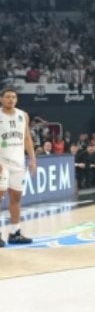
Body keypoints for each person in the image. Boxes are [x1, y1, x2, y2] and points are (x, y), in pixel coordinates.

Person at [0, 88, 36, 246]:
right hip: (2, 162)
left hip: (18, 163)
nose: (11, 99)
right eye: (7, 97)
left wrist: (32, 159)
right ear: (1, 99)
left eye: (13, 97)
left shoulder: (23, 115)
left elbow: (27, 138)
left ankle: (15, 233)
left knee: (16, 198)